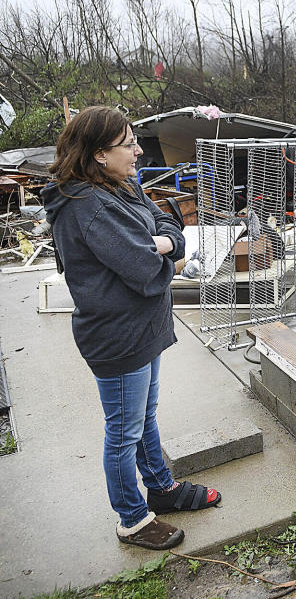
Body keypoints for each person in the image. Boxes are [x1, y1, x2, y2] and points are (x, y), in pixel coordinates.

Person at [43, 106, 221, 550]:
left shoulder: (118, 186)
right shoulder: (88, 206)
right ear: (100, 153)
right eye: (129, 144)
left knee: (142, 417)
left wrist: (165, 242)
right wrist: (162, 250)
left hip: (142, 329)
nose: (139, 150)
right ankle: (132, 519)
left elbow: (169, 226)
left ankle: (161, 489)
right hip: (119, 334)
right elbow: (144, 267)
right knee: (123, 432)